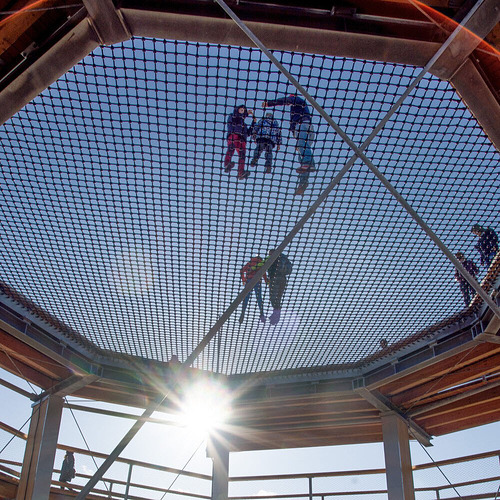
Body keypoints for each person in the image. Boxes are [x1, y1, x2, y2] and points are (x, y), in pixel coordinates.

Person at [262, 94, 315, 195]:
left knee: (304, 155)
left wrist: (269, 103)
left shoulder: (297, 100)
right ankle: (303, 182)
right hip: (307, 128)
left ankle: (308, 163)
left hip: (302, 125)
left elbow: (285, 100)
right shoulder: (300, 107)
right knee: (302, 157)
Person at [224, 104, 256, 180]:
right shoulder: (233, 116)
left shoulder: (244, 125)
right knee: (231, 148)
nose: (242, 111)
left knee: (242, 155)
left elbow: (248, 133)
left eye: (243, 110)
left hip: (242, 139)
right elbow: (237, 117)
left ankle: (240, 172)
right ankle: (227, 164)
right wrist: (247, 113)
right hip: (233, 134)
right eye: (241, 110)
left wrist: (253, 123)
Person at [240, 256, 269, 323]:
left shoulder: (250, 263)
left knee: (246, 298)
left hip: (249, 281)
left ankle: (243, 313)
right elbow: (263, 273)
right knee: (259, 298)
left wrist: (243, 279)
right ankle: (262, 314)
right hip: (257, 281)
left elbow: (241, 270)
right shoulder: (261, 264)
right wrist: (267, 282)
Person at [267, 250, 292, 325]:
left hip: (275, 278)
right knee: (278, 297)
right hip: (283, 279)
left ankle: (276, 314)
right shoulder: (284, 258)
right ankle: (276, 314)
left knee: (273, 297)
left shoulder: (274, 258)